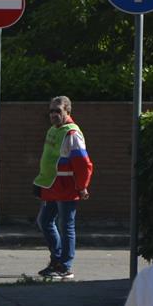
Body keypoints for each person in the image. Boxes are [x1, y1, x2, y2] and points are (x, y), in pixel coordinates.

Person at [32, 96, 91, 281]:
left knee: (66, 226)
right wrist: (39, 182)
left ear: (67, 111)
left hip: (66, 187)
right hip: (51, 185)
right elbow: (49, 160)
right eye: (51, 111)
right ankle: (56, 260)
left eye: (57, 111)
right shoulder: (53, 130)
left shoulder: (72, 134)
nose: (53, 114)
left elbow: (83, 163)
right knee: (45, 221)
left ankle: (65, 267)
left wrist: (82, 186)